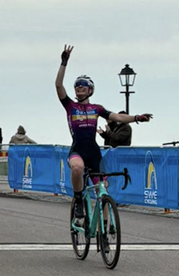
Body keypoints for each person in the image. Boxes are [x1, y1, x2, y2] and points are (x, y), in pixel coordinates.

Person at [56, 45, 152, 220]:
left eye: (83, 86)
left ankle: (106, 231)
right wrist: (64, 62)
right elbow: (58, 85)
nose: (79, 88)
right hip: (77, 151)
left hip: (94, 153)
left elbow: (118, 117)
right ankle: (78, 200)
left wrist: (137, 118)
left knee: (103, 191)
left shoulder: (96, 108)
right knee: (77, 168)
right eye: (77, 86)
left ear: (90, 90)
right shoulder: (70, 106)